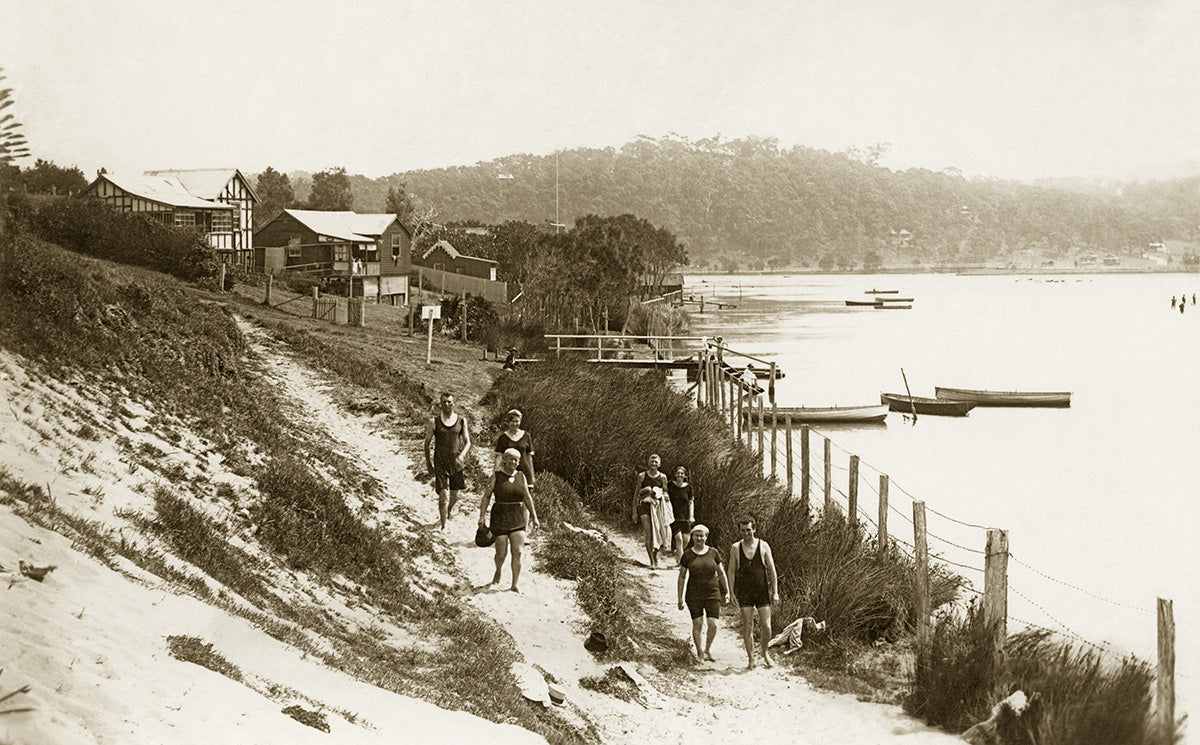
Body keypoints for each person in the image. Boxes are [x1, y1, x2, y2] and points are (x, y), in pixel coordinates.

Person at [478, 448, 539, 592]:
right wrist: (482, 516)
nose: (514, 462)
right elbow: (486, 496)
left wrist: (534, 517)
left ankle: (514, 584)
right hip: (500, 516)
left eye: (516, 459)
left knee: (518, 552)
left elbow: (527, 498)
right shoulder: (496, 476)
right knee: (501, 552)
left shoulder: (521, 476)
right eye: (511, 459)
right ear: (504, 460)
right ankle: (498, 570)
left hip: (517, 516)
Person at [727, 519, 780, 669]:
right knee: (748, 626)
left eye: (748, 530)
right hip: (745, 592)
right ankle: (751, 659)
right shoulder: (736, 548)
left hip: (761, 591)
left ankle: (764, 653)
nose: (746, 533)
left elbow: (772, 570)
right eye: (743, 530)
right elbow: (731, 571)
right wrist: (731, 592)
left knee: (767, 626)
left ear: (754, 529)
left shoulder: (763, 546)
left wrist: (775, 592)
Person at [677, 524, 729, 662]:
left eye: (702, 535)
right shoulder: (687, 555)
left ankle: (707, 649)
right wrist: (680, 598)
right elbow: (682, 576)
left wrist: (727, 591)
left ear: (706, 537)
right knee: (698, 624)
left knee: (713, 624)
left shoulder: (714, 553)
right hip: (693, 594)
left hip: (712, 593)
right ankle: (700, 652)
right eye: (696, 535)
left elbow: (721, 573)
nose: (699, 538)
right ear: (692, 536)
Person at [423, 392, 471, 530]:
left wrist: (461, 456)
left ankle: (448, 511)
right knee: (443, 495)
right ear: (440, 404)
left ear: (453, 404)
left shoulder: (461, 421)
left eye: (449, 402)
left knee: (454, 496)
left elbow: (468, 442)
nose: (447, 404)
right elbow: (426, 444)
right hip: (440, 462)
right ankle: (443, 526)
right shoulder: (434, 422)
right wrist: (428, 463)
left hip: (456, 462)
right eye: (444, 402)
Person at [632, 454, 670, 568]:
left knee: (657, 532)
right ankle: (652, 561)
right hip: (645, 506)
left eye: (656, 462)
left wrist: (665, 495)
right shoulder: (642, 476)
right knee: (648, 534)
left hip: (657, 507)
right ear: (648, 463)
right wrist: (634, 511)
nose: (654, 464)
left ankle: (655, 555)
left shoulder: (663, 477)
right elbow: (636, 494)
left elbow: (665, 491)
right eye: (652, 461)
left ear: (659, 464)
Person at [494, 408, 535, 489]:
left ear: (520, 422)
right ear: (508, 422)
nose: (514, 424)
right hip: (508, 471)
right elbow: (499, 458)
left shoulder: (526, 436)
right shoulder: (503, 438)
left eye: (517, 421)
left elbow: (529, 457)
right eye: (512, 421)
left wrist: (532, 475)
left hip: (524, 471)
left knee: (527, 497)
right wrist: (495, 474)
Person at [667, 466, 695, 563]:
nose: (680, 475)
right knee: (679, 539)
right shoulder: (670, 485)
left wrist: (691, 516)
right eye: (678, 473)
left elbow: (691, 502)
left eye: (682, 473)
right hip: (673, 517)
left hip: (685, 517)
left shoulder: (689, 487)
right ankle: (681, 563)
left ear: (685, 475)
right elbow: (664, 494)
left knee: (686, 540)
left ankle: (677, 552)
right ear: (675, 474)